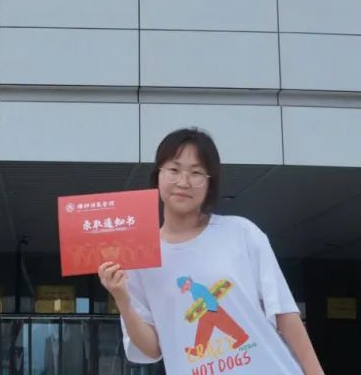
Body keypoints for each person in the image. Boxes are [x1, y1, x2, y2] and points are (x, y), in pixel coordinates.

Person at [98, 127, 325, 375]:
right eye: (174, 170)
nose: (183, 182)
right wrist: (121, 299)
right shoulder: (140, 255)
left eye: (196, 173)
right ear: (158, 176)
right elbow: (151, 349)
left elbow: (284, 313)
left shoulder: (241, 233)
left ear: (209, 183)